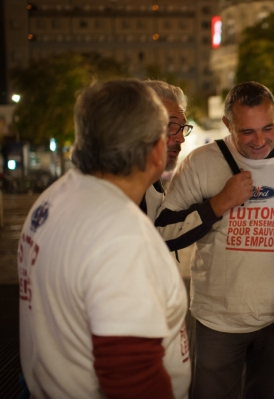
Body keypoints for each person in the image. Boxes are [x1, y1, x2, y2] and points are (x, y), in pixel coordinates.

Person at [18, 80, 191, 399]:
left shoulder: (53, 198)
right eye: (167, 131)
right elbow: (132, 378)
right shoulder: (123, 237)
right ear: (154, 150)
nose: (177, 138)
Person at [156, 81, 274, 398]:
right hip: (218, 318)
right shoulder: (201, 161)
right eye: (247, 132)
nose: (260, 141)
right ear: (228, 124)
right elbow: (162, 232)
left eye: (267, 128)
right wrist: (219, 203)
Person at [140, 79, 192, 222]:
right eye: (170, 125)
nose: (181, 138)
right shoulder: (110, 189)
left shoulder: (153, 185)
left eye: (182, 127)